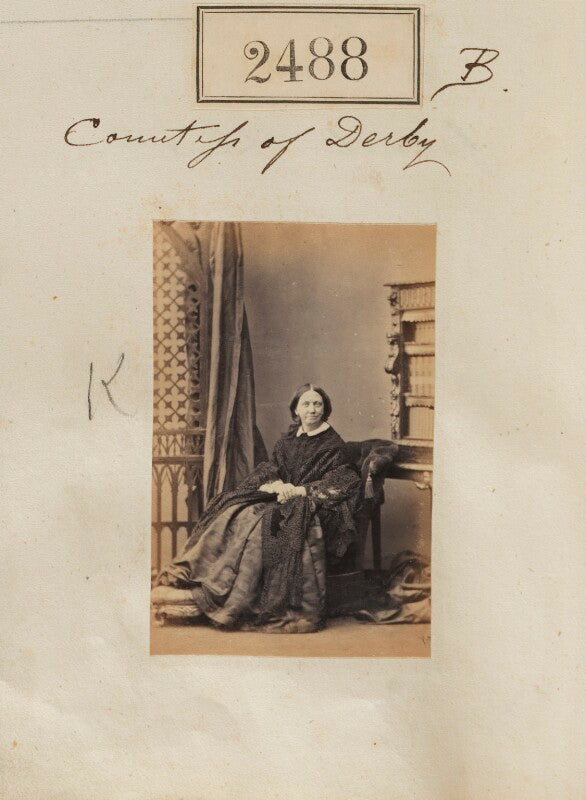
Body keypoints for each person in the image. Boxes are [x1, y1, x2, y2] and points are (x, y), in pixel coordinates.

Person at [151, 384, 361, 633]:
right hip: (282, 496)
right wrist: (276, 484)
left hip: (310, 504)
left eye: (317, 404)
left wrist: (299, 491)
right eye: (306, 404)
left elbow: (343, 480)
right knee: (236, 511)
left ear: (325, 409)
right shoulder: (288, 441)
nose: (312, 409)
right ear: (296, 409)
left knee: (266, 524)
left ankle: (236, 597)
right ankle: (209, 580)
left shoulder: (333, 444)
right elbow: (272, 468)